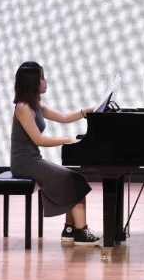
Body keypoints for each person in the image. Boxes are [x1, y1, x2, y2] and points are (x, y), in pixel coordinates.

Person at [10, 61, 102, 246]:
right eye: (42, 78)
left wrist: (85, 112)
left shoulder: (37, 104)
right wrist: (67, 140)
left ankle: (70, 229)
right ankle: (81, 233)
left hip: (33, 159)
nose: (46, 81)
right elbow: (39, 140)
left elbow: (63, 117)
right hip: (24, 163)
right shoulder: (23, 107)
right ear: (33, 82)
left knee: (73, 179)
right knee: (72, 179)